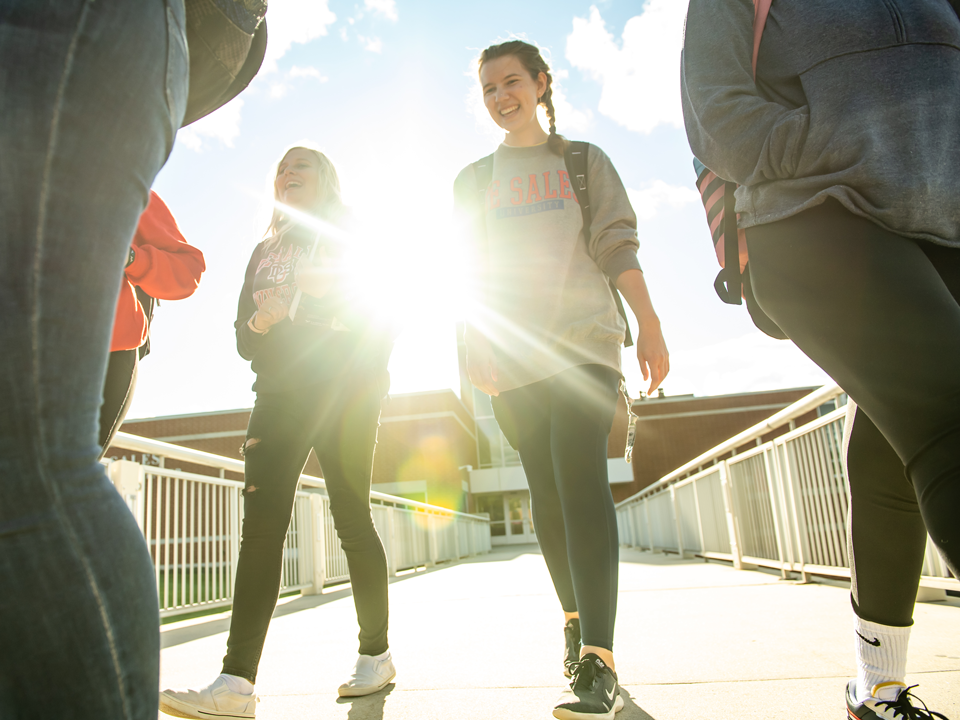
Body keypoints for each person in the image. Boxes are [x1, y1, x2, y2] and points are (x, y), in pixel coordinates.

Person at [681, 2, 960, 719]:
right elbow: (714, 114)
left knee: (893, 447)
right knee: (950, 408)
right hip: (812, 217)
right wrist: (835, 140)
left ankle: (876, 686)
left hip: (944, 223)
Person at [453, 39, 670, 720]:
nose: (500, 98)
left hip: (584, 344)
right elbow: (466, 274)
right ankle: (575, 624)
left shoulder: (580, 162)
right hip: (513, 358)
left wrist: (650, 321)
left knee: (579, 479)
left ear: (542, 84)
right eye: (488, 89)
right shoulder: (471, 181)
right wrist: (469, 349)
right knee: (546, 494)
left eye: (511, 82)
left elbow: (615, 242)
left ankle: (600, 660)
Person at [160, 145, 397, 720]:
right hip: (279, 394)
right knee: (260, 532)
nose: (288, 174)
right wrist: (264, 322)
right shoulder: (264, 250)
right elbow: (244, 338)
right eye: (281, 170)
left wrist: (308, 305)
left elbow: (378, 311)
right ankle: (235, 685)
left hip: (345, 391)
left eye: (302, 166)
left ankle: (376, 656)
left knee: (351, 516)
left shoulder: (351, 233)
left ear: (327, 179)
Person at [99, 191, 205, 457]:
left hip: (104, 354)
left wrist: (130, 258)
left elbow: (188, 270)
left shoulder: (125, 189)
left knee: (58, 478)